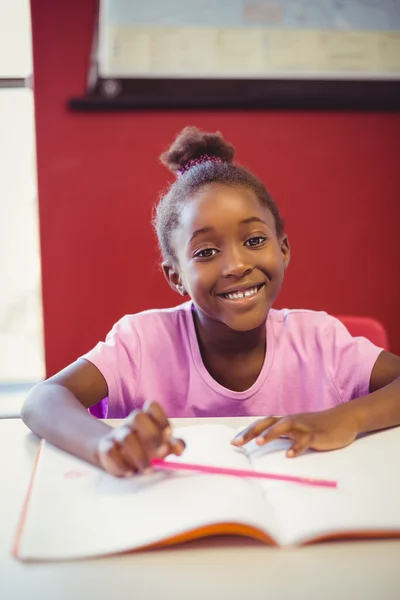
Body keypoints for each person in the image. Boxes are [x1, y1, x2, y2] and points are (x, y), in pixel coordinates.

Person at [22, 126, 400, 477]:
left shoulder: (321, 341)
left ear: (283, 249)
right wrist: (103, 442)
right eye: (205, 252)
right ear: (176, 276)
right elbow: (41, 400)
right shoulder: (141, 342)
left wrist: (347, 419)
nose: (236, 265)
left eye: (254, 241)